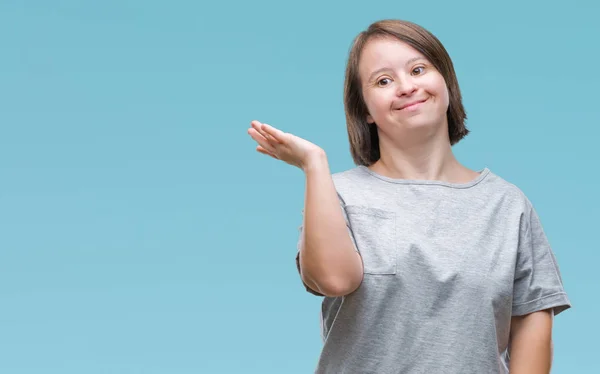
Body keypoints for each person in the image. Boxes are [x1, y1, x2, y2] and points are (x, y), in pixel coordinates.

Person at [247, 19, 571, 374]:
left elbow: (532, 326)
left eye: (418, 69)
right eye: (383, 81)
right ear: (366, 111)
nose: (405, 87)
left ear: (446, 81)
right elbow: (335, 280)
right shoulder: (337, 192)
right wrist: (314, 164)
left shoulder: (508, 205)